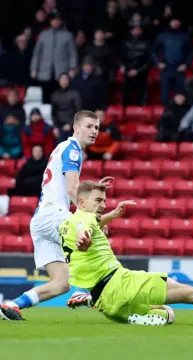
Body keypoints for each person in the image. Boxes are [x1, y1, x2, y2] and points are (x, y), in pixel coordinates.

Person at [40, 180, 193, 327]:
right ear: (82, 201)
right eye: (99, 200)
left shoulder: (65, 224)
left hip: (106, 301)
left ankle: (123, 312)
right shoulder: (85, 220)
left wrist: (109, 216)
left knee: (167, 313)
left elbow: (87, 225)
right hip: (119, 284)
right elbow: (87, 226)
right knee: (191, 294)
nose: (103, 204)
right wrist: (85, 237)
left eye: (104, 200)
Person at [0, 111, 110, 321]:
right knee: (93, 238)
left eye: (96, 127)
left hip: (41, 220)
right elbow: (72, 189)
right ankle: (96, 294)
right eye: (89, 126)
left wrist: (93, 189)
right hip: (53, 215)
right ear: (76, 128)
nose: (94, 131)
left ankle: (11, 305)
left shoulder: (63, 147)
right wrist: (91, 217)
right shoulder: (74, 150)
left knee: (61, 283)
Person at [29, 10, 78, 103]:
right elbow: (37, 53)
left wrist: (72, 68)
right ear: (50, 21)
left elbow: (72, 53)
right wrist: (33, 68)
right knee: (45, 97)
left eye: (58, 20)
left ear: (61, 21)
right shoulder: (43, 34)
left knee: (61, 97)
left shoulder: (68, 35)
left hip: (61, 72)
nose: (56, 22)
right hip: (45, 72)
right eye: (54, 20)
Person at [152, 17, 193, 105]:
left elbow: (192, 52)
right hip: (166, 69)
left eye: (177, 21)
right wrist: (158, 63)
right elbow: (153, 51)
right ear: (170, 22)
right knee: (165, 95)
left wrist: (186, 64)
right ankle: (164, 115)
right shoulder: (162, 35)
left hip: (179, 69)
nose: (175, 23)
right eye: (173, 21)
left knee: (180, 95)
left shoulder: (185, 36)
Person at [121, 24, 151, 106]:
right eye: (134, 29)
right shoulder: (125, 42)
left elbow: (149, 61)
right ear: (131, 31)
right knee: (126, 96)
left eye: (138, 29)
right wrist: (122, 66)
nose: (136, 31)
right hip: (127, 73)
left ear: (141, 31)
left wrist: (137, 71)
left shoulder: (146, 43)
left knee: (140, 97)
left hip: (141, 74)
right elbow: (121, 57)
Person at [51, 74, 83, 142]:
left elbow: (79, 111)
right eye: (62, 79)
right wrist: (55, 127)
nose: (64, 81)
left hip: (72, 127)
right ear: (59, 81)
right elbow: (54, 113)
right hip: (59, 126)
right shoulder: (55, 94)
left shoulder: (75, 94)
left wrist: (70, 124)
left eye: (66, 79)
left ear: (69, 81)